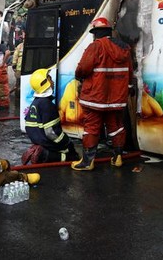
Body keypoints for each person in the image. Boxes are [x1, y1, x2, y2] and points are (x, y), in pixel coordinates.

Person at [72, 17, 134, 171]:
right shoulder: (124, 48)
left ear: (96, 33)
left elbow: (83, 69)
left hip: (96, 97)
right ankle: (118, 157)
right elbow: (130, 72)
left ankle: (88, 162)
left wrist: (78, 75)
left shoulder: (96, 46)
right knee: (116, 126)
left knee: (92, 127)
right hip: (116, 98)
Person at [21, 69, 79, 164]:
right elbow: (51, 133)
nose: (52, 82)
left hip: (37, 140)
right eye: (50, 79)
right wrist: (66, 142)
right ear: (45, 84)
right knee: (71, 155)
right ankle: (44, 155)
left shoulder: (36, 102)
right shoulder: (47, 105)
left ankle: (38, 149)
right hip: (46, 142)